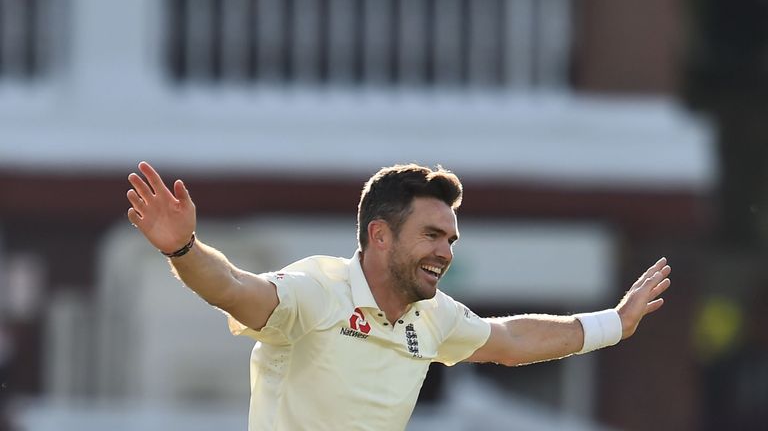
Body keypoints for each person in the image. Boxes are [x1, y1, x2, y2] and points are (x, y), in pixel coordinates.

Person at [126, 161, 671, 431]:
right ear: (380, 235)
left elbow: (510, 339)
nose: (446, 251)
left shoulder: (433, 316)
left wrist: (614, 324)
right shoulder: (318, 290)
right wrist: (185, 249)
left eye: (451, 239)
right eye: (432, 235)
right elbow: (232, 288)